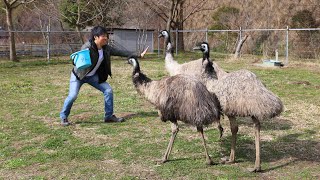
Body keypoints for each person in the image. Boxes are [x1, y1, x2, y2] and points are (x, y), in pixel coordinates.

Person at [60, 25, 148, 126]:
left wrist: (138, 54)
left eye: (106, 36)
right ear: (95, 37)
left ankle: (109, 116)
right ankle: (63, 117)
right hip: (79, 76)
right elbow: (78, 59)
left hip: (93, 77)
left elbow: (121, 52)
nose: (106, 38)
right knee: (72, 96)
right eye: (103, 36)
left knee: (108, 90)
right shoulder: (87, 47)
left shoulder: (106, 49)